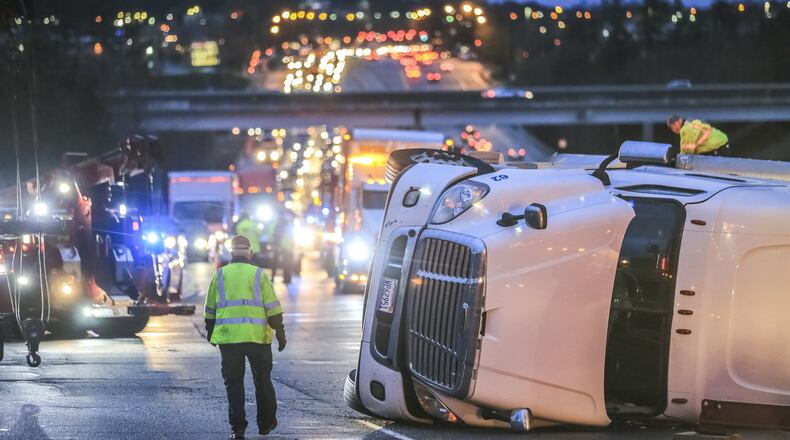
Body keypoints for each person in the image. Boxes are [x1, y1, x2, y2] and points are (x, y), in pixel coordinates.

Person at [204, 235, 287, 439]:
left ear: (231, 253)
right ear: (250, 253)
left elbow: (210, 310)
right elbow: (272, 307)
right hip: (257, 338)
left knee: (233, 384)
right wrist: (280, 332)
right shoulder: (259, 275)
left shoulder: (219, 275)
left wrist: (210, 331)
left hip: (229, 340)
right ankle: (266, 423)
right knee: (263, 380)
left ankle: (238, 428)